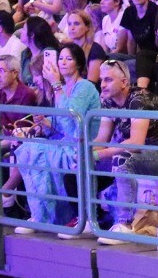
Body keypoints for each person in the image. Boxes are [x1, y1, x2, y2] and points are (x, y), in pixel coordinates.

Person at [12, 42, 100, 234]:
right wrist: (45, 123)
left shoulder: (84, 87)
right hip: (63, 143)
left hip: (79, 147)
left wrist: (56, 85)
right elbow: (61, 125)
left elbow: (72, 121)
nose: (63, 62)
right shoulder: (64, 87)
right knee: (29, 147)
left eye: (69, 59)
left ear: (78, 64)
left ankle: (47, 216)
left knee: (34, 150)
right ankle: (39, 215)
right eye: (60, 58)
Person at [92, 59, 158, 242]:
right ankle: (87, 218)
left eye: (108, 80)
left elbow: (136, 143)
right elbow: (101, 139)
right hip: (138, 156)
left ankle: (124, 225)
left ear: (124, 82)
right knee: (81, 161)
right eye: (101, 80)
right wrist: (85, 152)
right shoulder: (109, 102)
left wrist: (101, 153)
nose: (102, 85)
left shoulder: (139, 99)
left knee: (122, 160)